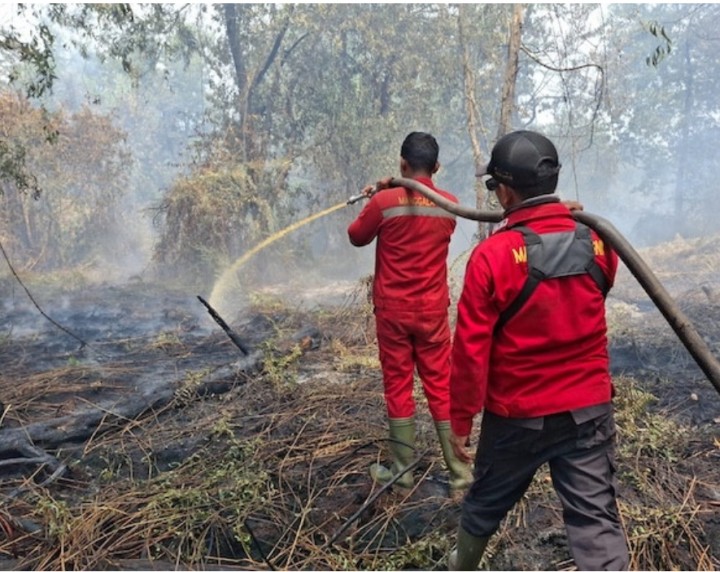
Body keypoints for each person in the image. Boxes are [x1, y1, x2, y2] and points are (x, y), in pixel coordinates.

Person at [447, 130, 630, 570]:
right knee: (595, 521)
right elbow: (584, 291)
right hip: (588, 410)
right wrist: (560, 223)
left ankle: (462, 566)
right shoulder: (601, 242)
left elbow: (471, 351)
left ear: (505, 190)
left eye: (494, 187)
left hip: (518, 416)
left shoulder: (491, 258)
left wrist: (459, 421)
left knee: (484, 504)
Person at [347, 131, 473, 494]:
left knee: (398, 386)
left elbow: (357, 236)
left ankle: (402, 475)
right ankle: (461, 477)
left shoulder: (385, 201)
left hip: (393, 312)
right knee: (441, 386)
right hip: (432, 311)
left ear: (402, 163)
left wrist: (374, 198)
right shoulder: (450, 204)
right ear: (436, 167)